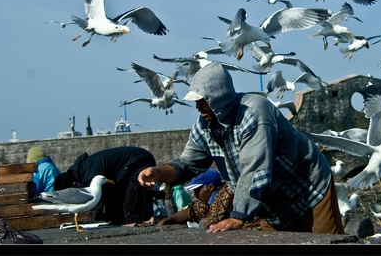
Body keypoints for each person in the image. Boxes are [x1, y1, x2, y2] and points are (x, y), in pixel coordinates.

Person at [138, 62, 344, 234]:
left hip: (308, 191)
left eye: (202, 100)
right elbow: (186, 165)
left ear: (218, 97)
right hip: (272, 205)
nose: (198, 107)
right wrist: (158, 173)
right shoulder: (205, 125)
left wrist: (238, 217)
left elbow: (255, 170)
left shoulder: (255, 112)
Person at [53, 146, 156, 225]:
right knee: (114, 207)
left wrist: (93, 221)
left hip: (140, 162)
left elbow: (96, 200)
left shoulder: (89, 173)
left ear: (74, 184)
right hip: (126, 167)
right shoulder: (83, 170)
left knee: (129, 206)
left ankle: (136, 229)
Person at [157, 168, 262, 230]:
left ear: (210, 187)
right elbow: (193, 211)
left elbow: (211, 222)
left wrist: (202, 222)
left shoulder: (226, 193)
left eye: (197, 190)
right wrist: (167, 220)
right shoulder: (207, 201)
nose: (195, 195)